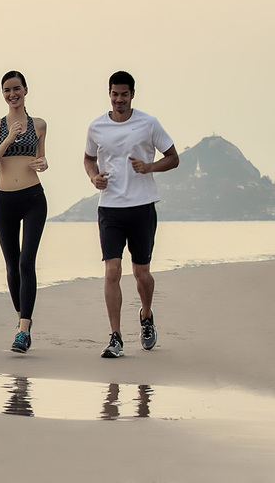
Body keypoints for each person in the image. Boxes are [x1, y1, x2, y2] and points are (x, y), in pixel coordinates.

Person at [83, 71, 178, 358]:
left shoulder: (148, 123)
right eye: (115, 94)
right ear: (109, 94)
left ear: (132, 94)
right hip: (110, 207)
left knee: (141, 273)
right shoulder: (96, 126)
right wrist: (93, 177)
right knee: (112, 271)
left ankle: (146, 315)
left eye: (124, 94)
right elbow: (88, 158)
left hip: (142, 206)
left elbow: (173, 158)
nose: (119, 99)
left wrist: (149, 167)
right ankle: (116, 337)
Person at [0, 71, 48, 353]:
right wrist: (7, 139)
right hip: (4, 201)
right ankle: (23, 322)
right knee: (12, 265)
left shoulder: (40, 124)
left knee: (26, 262)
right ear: (3, 93)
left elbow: (40, 157)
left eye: (17, 88)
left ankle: (23, 329)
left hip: (33, 197)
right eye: (7, 90)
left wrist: (43, 163)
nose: (12, 94)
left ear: (26, 90)